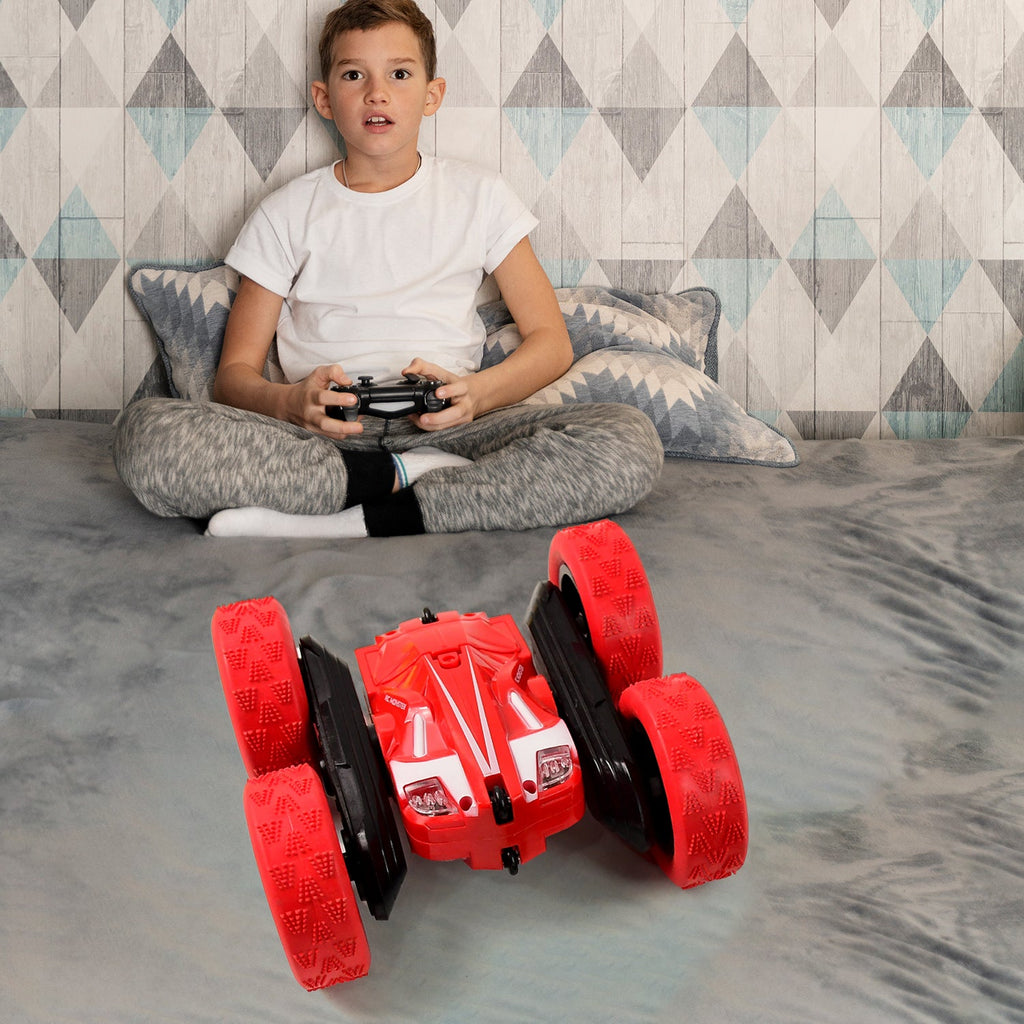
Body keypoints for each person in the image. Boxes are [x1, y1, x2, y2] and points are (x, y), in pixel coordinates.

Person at [114, 0, 663, 538]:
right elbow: (234, 376)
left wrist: (478, 394)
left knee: (628, 439)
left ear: (432, 94)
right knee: (147, 435)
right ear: (324, 98)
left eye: (399, 73)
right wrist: (289, 402)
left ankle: (356, 511)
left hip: (450, 432)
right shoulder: (284, 212)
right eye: (354, 74)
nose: (376, 92)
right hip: (321, 440)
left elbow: (551, 343)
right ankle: (403, 486)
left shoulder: (482, 197)